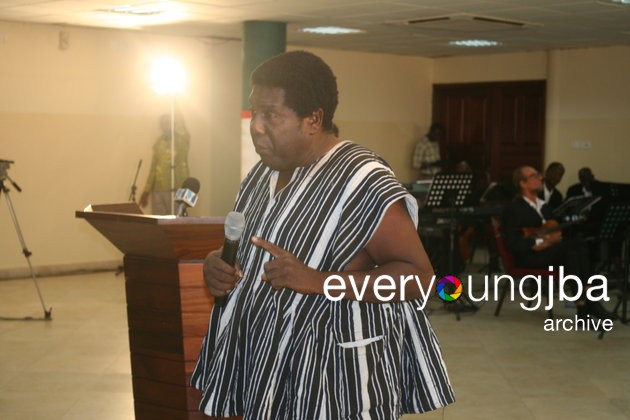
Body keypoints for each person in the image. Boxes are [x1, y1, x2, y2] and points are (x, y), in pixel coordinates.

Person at [191, 51, 454, 419]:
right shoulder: (261, 175)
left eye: (271, 115)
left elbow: (419, 279)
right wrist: (216, 264)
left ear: (313, 119)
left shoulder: (362, 180)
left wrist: (320, 281)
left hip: (334, 382)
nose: (256, 127)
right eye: (255, 112)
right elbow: (248, 251)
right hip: (266, 371)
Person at [502, 165, 616, 321]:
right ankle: (590, 302)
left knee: (573, 251)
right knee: (574, 247)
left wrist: (575, 218)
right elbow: (513, 244)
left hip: (547, 253)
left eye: (539, 175)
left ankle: (583, 307)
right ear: (523, 183)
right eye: (534, 176)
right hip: (528, 256)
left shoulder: (544, 206)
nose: (540, 178)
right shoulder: (514, 208)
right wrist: (543, 240)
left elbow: (557, 227)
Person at [139, 113, 190, 214]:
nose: (165, 125)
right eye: (163, 123)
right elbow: (153, 169)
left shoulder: (181, 140)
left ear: (174, 124)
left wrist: (177, 104)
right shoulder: (158, 143)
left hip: (177, 188)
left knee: (177, 219)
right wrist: (146, 191)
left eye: (168, 122)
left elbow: (183, 128)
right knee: (159, 220)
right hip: (158, 190)